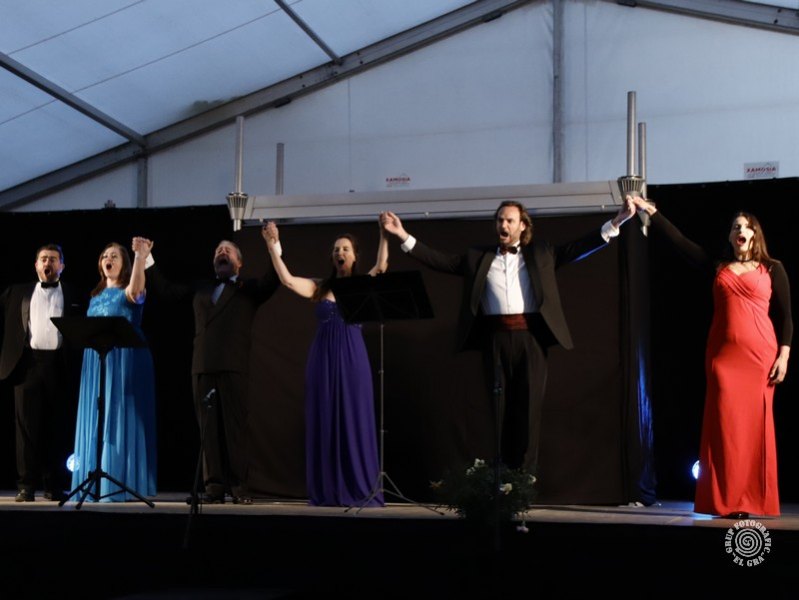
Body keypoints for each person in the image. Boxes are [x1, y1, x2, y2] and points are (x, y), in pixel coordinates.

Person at [380, 199, 635, 478]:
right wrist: (402, 235)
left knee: (529, 410)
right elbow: (440, 261)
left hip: (531, 339)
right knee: (499, 409)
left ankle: (525, 479)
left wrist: (617, 221)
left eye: (510, 220)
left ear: (522, 226)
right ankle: (501, 477)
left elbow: (578, 248)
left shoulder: (541, 253)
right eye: (500, 220)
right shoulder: (478, 257)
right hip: (495, 339)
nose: (503, 225)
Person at [632, 196, 791, 518]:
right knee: (726, 429)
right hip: (723, 358)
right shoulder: (718, 266)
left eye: (746, 227)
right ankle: (727, 500)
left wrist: (784, 355)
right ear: (730, 236)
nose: (740, 230)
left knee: (754, 429)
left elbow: (787, 317)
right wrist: (652, 212)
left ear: (755, 234)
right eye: (735, 227)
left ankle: (751, 500)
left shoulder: (773, 268)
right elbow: (680, 242)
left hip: (760, 357)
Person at [145, 228, 280, 505]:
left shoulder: (248, 289)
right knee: (208, 431)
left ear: (239, 263)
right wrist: (147, 258)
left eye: (228, 250)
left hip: (233, 365)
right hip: (202, 366)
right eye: (218, 250)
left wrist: (273, 244)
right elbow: (167, 291)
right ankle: (214, 487)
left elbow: (273, 280)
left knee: (235, 429)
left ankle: (240, 487)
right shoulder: (202, 287)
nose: (222, 252)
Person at [263, 217, 387, 507]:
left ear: (354, 257)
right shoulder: (319, 287)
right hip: (322, 357)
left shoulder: (360, 285)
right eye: (335, 249)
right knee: (325, 416)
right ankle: (328, 488)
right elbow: (287, 280)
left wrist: (384, 234)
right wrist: (272, 246)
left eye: (345, 249)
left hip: (352, 357)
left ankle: (357, 486)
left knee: (353, 417)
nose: (339, 252)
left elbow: (381, 266)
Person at [71, 238, 157, 502]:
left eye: (115, 256)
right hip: (96, 361)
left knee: (119, 415)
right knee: (98, 414)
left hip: (124, 359)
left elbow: (136, 292)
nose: (108, 259)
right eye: (104, 256)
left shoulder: (129, 289)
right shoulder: (95, 296)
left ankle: (119, 478)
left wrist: (140, 257)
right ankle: (94, 480)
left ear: (125, 264)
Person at [0, 244, 83, 502]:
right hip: (28, 365)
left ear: (62, 266)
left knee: (57, 427)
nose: (48, 263)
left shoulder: (73, 293)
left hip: (59, 365)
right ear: (36, 265)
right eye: (44, 259)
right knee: (26, 428)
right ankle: (26, 486)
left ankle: (54, 484)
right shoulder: (16, 291)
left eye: (54, 259)